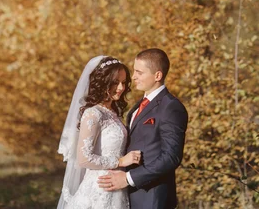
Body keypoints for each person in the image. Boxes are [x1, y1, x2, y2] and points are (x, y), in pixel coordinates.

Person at [98, 48, 189, 209]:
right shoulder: (138, 106)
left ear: (157, 76)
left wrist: (128, 178)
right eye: (134, 71)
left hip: (152, 198)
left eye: (139, 72)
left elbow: (171, 157)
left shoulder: (171, 107)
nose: (133, 77)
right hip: (127, 195)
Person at [57, 55, 142, 209]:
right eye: (115, 83)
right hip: (99, 190)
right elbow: (84, 159)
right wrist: (121, 161)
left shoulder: (112, 112)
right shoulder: (93, 114)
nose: (121, 88)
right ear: (103, 83)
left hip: (116, 189)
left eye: (124, 82)